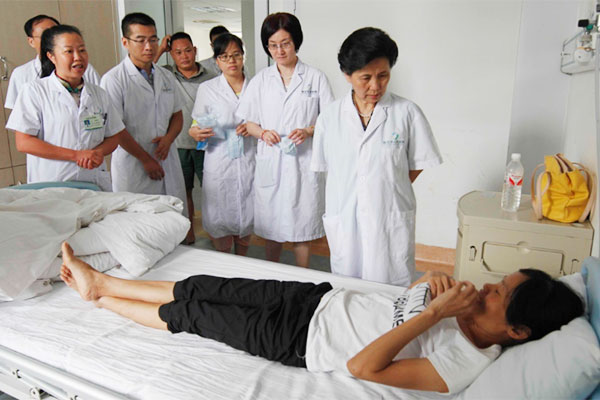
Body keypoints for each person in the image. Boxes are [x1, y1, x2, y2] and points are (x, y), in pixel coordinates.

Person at [59, 241, 584, 395]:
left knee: (191, 314)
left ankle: (98, 299)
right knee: (202, 285)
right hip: (318, 298)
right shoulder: (466, 309)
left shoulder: (464, 363)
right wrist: (429, 285)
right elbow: (403, 302)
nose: (486, 288)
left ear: (516, 331)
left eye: (498, 295)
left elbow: (363, 367)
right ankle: (102, 281)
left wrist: (434, 315)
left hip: (299, 339)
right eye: (497, 282)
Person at [311, 28, 443, 286]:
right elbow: (329, 169)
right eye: (366, 78)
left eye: (383, 76)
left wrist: (386, 185)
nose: (375, 86)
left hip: (389, 216)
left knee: (390, 289)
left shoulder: (407, 113)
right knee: (347, 290)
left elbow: (416, 164)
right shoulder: (329, 117)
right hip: (345, 218)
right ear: (347, 75)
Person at [236, 13, 334, 267]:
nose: (279, 51)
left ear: (296, 42)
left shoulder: (315, 78)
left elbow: (330, 122)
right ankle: (273, 274)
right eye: (273, 45)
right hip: (271, 160)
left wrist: (308, 131)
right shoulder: (261, 80)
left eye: (285, 44)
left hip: (303, 161)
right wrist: (262, 133)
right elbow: (249, 122)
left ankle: (303, 276)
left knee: (303, 225)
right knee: (272, 226)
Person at [5, 25, 123, 191]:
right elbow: (24, 143)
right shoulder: (34, 91)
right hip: (52, 184)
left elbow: (113, 136)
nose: (78, 57)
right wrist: (76, 155)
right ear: (51, 56)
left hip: (94, 182)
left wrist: (98, 152)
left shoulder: (99, 94)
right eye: (69, 51)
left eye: (82, 50)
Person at [100, 13, 187, 212]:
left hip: (166, 156)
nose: (148, 46)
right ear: (125, 42)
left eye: (153, 39)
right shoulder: (114, 80)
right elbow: (115, 128)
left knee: (173, 218)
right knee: (138, 219)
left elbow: (177, 114)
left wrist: (168, 139)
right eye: (140, 40)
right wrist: (146, 160)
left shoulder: (166, 76)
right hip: (134, 164)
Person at [188, 33, 255, 255]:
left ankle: (243, 262)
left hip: (249, 158)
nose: (231, 61)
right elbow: (197, 123)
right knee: (220, 219)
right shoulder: (207, 89)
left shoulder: (256, 86)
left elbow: (267, 120)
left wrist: (253, 127)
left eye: (236, 55)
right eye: (225, 56)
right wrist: (195, 132)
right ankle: (225, 264)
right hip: (219, 160)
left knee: (247, 217)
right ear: (217, 60)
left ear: (243, 56)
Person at [154, 32, 217, 244]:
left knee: (211, 192)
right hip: (178, 144)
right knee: (184, 191)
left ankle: (215, 233)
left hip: (206, 145)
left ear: (195, 50)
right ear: (171, 54)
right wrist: (160, 49)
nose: (184, 56)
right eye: (178, 52)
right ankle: (188, 232)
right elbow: (145, 69)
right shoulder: (165, 75)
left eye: (188, 51)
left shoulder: (211, 76)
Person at [4, 14, 101, 110]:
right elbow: (18, 112)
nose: (51, 39)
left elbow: (100, 100)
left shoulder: (85, 70)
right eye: (45, 36)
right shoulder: (21, 75)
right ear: (31, 41)